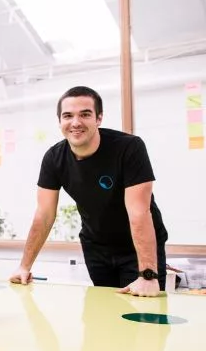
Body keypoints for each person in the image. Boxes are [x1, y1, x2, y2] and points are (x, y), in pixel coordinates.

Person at [9, 86, 168, 297]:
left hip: (136, 248)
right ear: (59, 121)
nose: (75, 122)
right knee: (102, 311)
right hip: (96, 248)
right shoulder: (54, 158)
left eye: (85, 114)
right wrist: (24, 266)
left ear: (99, 118)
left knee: (144, 310)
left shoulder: (129, 148)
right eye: (68, 116)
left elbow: (139, 212)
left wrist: (148, 276)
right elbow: (44, 215)